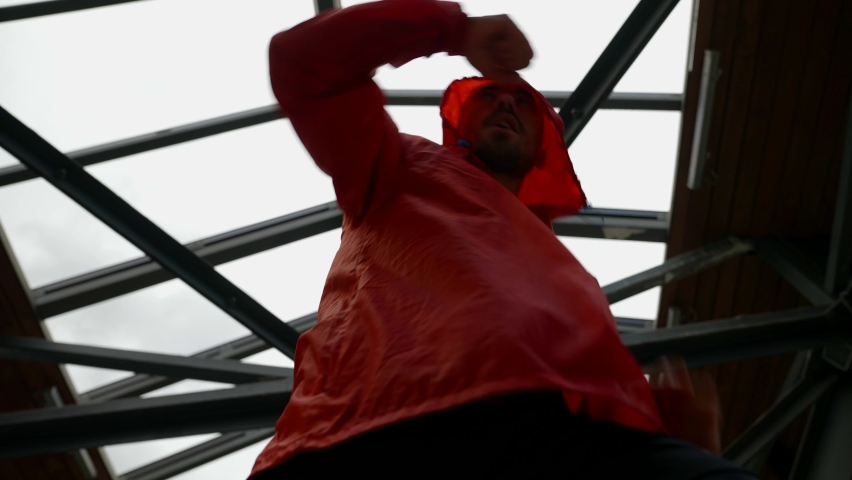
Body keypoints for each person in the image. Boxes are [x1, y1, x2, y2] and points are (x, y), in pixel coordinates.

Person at [251, 1, 756, 478]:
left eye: (523, 104)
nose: (507, 103)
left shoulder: (561, 268)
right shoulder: (397, 165)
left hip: (547, 429)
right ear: (459, 125)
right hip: (377, 422)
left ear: (542, 149)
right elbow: (302, 61)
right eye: (488, 97)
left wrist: (670, 437)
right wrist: (454, 30)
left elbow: (580, 379)